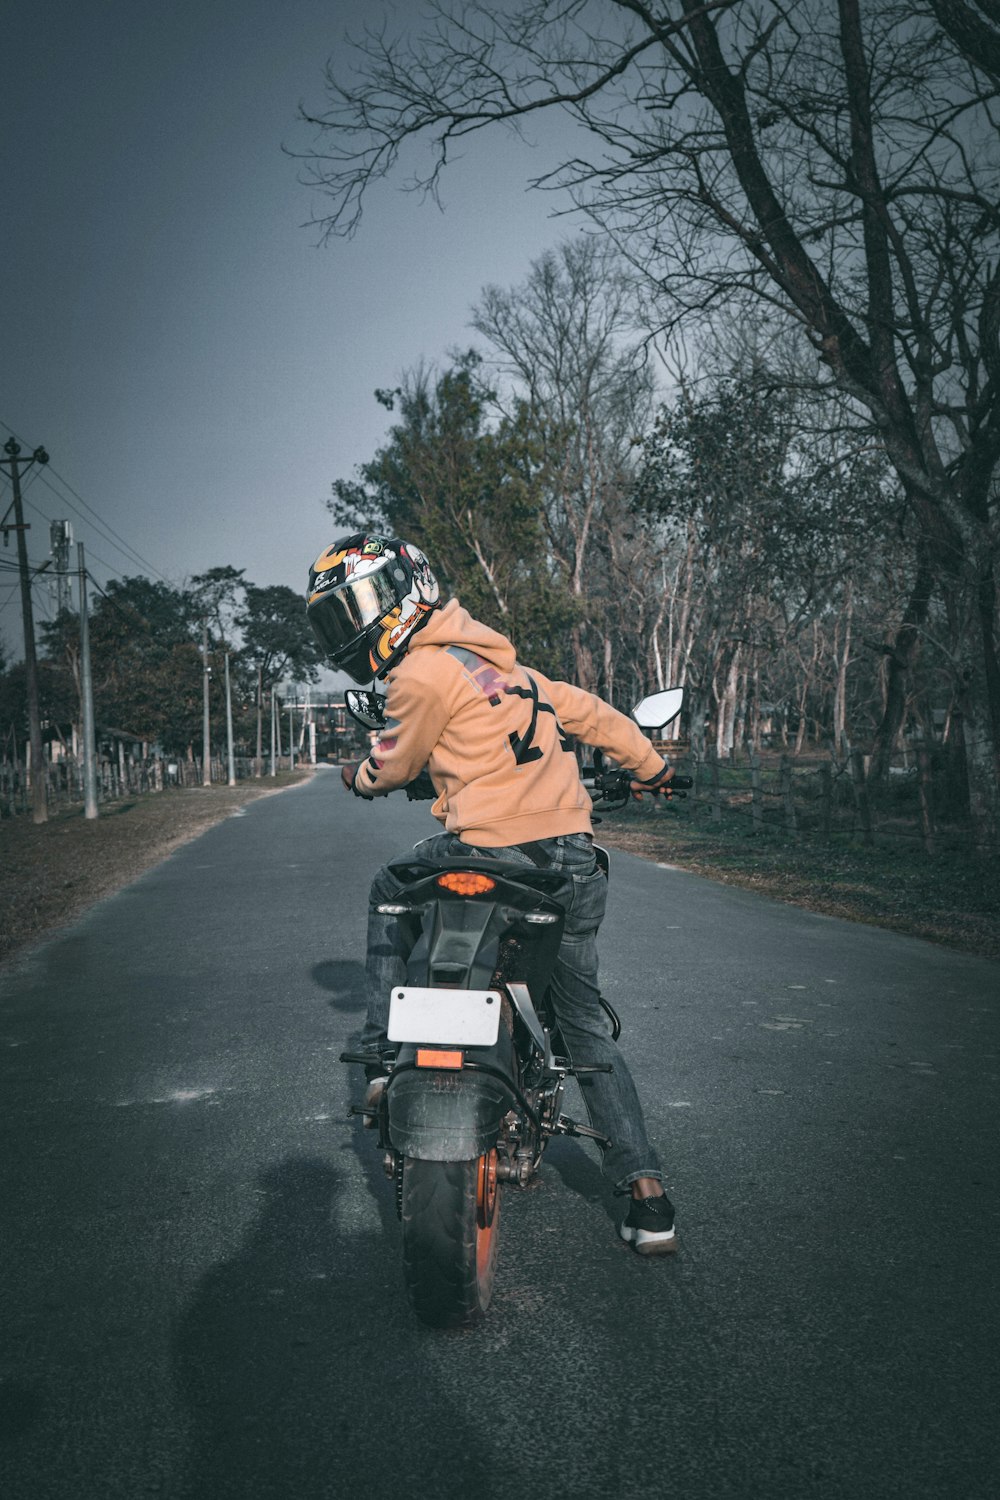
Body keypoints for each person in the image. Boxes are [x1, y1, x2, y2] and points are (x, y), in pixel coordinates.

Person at [307, 531, 678, 1255]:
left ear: (406, 593)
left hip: (483, 848)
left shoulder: (416, 675)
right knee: (582, 1026)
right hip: (565, 861)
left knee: (392, 886)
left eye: (358, 604)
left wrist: (357, 775)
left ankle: (388, 1049)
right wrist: (655, 768)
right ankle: (646, 1192)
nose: (353, 624)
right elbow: (598, 717)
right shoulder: (519, 674)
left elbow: (393, 760)